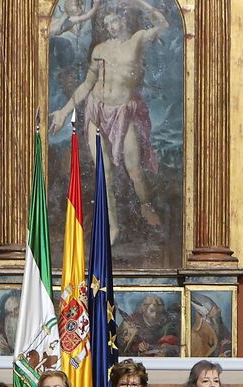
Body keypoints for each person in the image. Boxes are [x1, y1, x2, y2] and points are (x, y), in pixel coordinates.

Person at [48, 0, 169, 241]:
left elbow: (163, 25)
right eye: (107, 23)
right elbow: (87, 85)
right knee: (104, 173)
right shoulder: (100, 49)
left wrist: (140, 3)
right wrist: (63, 111)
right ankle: (112, 226)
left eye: (115, 21)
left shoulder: (136, 41)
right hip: (97, 110)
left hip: (123, 112)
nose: (112, 27)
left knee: (134, 170)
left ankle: (145, 205)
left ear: (123, 19)